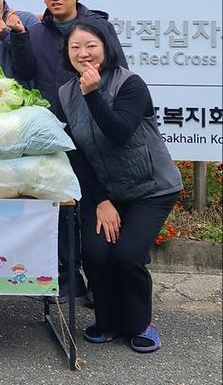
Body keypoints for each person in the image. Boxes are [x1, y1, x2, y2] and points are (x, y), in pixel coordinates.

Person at [6, 0, 129, 304]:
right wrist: (18, 37)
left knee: (97, 199)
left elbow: (118, 70)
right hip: (54, 129)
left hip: (95, 123)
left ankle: (102, 280)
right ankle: (68, 277)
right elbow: (25, 73)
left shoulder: (98, 27)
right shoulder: (36, 31)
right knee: (60, 203)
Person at [57, 21, 182, 352]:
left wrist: (93, 94)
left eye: (91, 45)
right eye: (75, 47)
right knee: (96, 254)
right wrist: (101, 200)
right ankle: (108, 321)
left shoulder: (130, 84)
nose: (83, 53)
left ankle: (141, 324)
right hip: (106, 192)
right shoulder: (65, 94)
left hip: (151, 188)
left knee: (127, 256)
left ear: (107, 46)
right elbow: (76, 153)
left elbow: (120, 132)